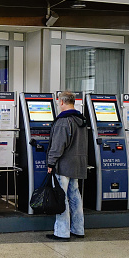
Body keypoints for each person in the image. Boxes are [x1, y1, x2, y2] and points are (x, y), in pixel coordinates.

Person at [46, 91, 88, 241]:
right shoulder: (80, 120)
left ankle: (62, 232)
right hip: (77, 164)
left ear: (62, 102)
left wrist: (51, 162)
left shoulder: (64, 121)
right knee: (75, 196)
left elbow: (58, 145)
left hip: (63, 165)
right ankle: (78, 229)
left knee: (61, 197)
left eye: (58, 103)